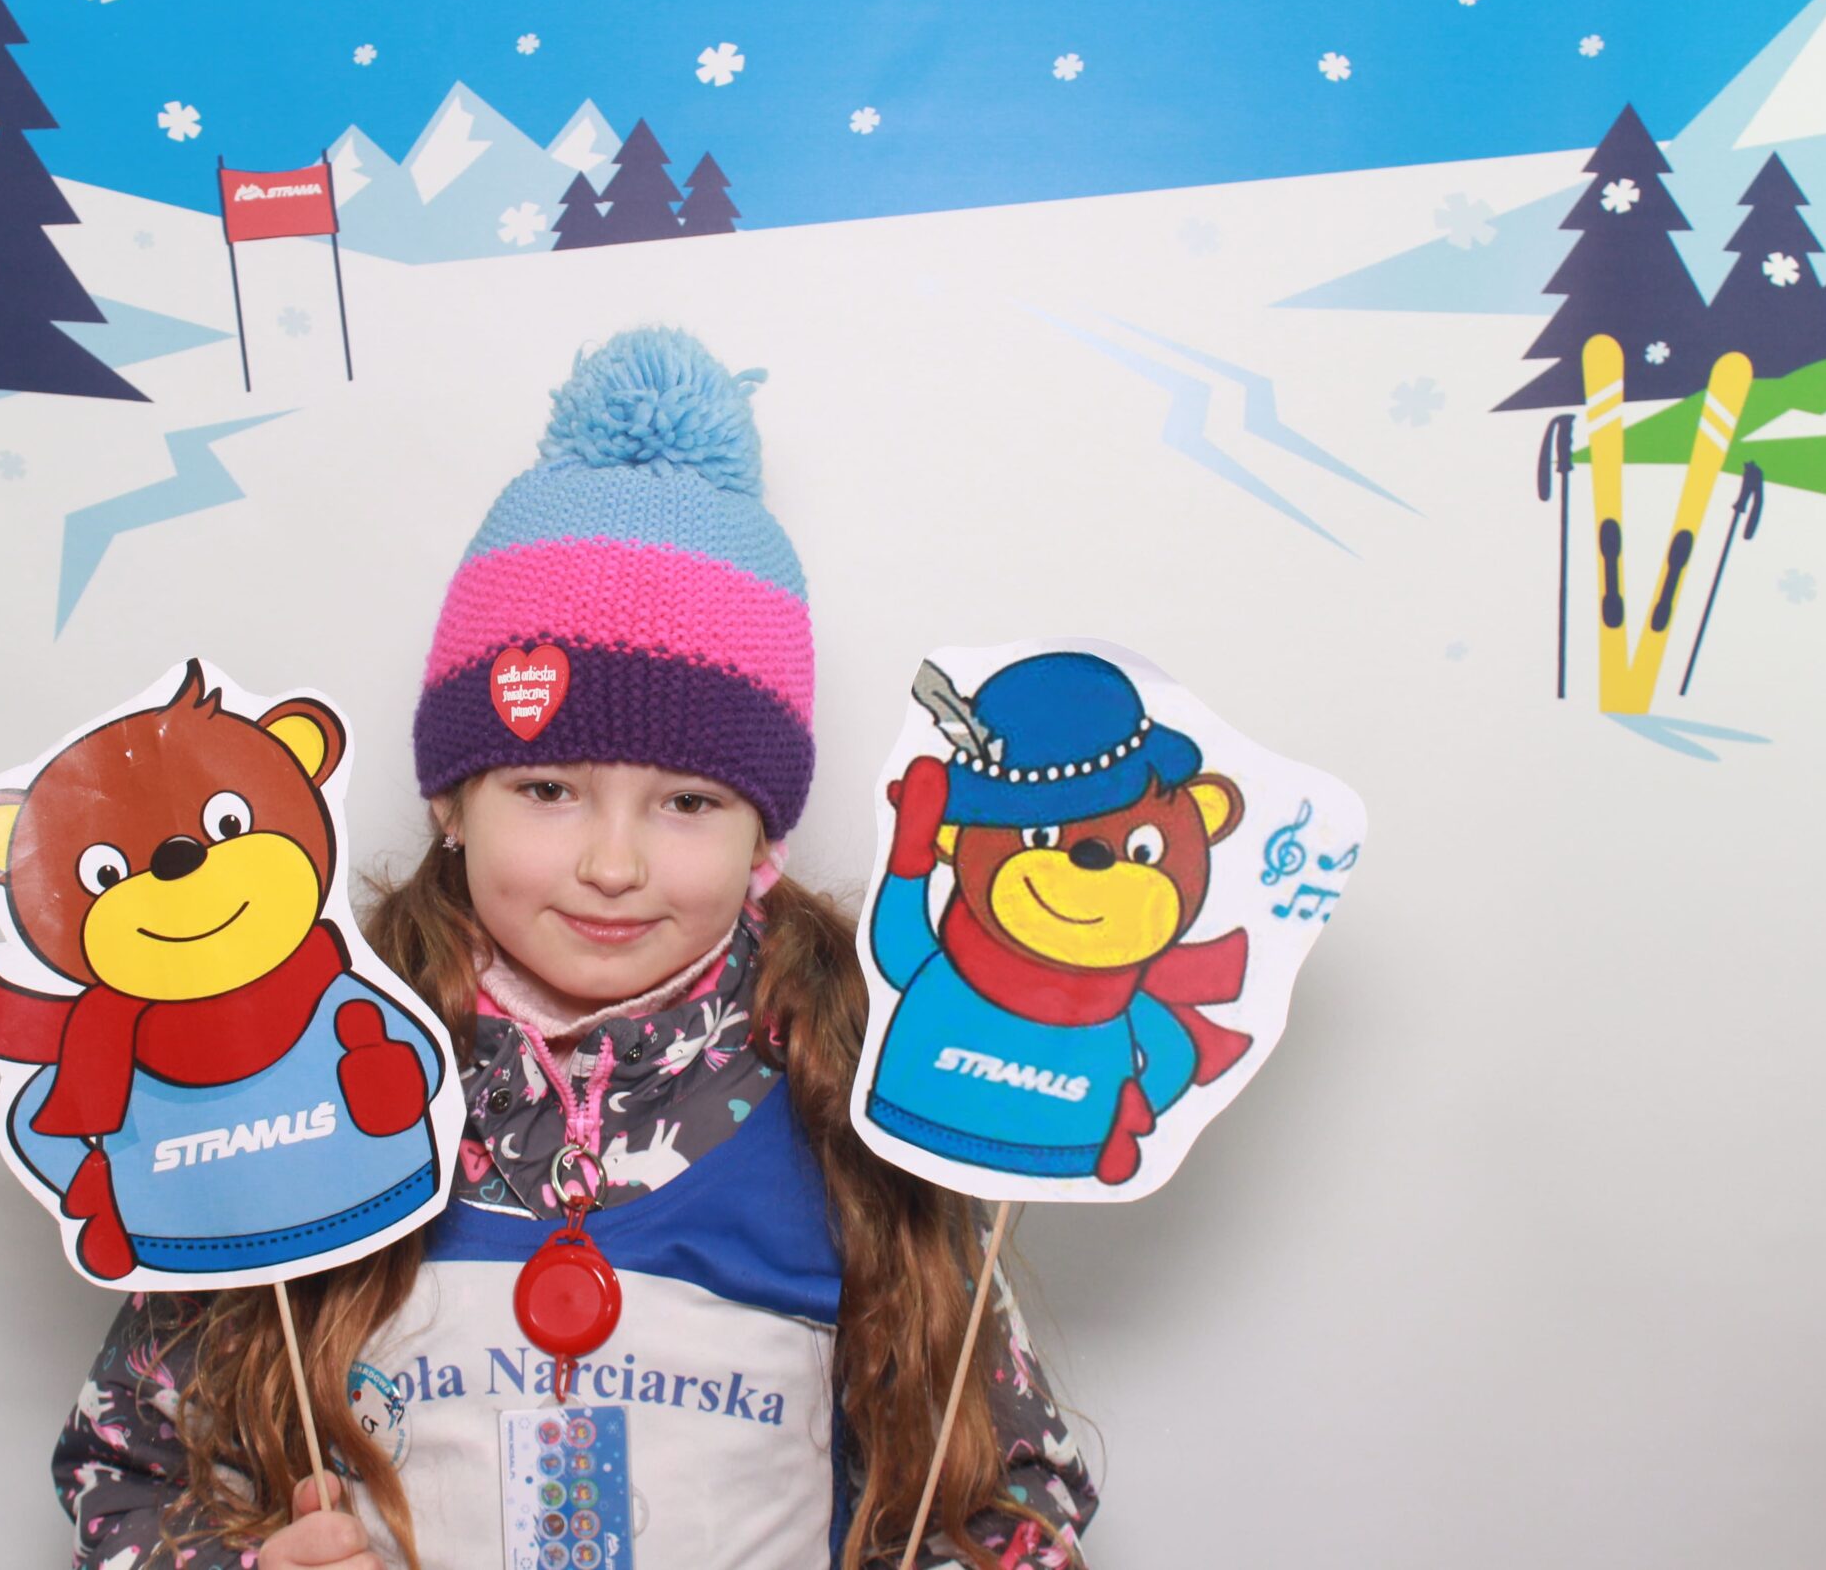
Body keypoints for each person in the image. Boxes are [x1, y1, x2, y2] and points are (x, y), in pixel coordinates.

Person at [53, 328, 1096, 1568]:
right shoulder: (292, 1088)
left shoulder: (854, 1101)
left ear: (764, 833)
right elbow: (127, 1467)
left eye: (687, 801)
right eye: (547, 789)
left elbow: (1012, 1500)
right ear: (450, 799)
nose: (612, 862)